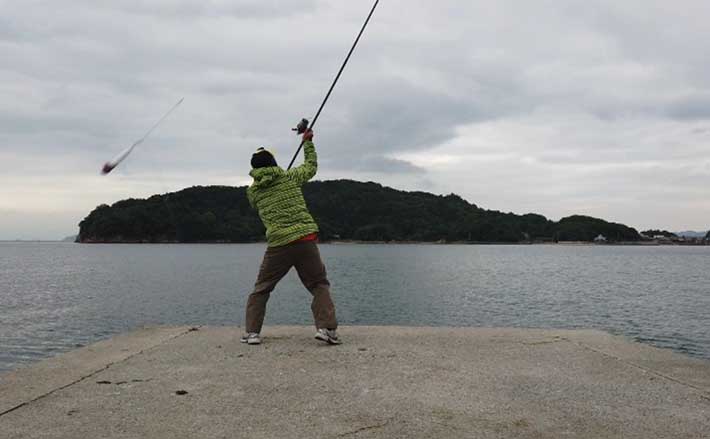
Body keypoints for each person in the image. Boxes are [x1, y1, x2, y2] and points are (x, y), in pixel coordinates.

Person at [241, 128, 340, 345]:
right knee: (318, 284)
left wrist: (271, 180)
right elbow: (311, 167)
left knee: (262, 288)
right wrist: (308, 142)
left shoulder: (253, 192)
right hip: (305, 240)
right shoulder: (290, 177)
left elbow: (257, 199)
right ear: (274, 162)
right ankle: (327, 329)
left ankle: (252, 333)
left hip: (278, 245)